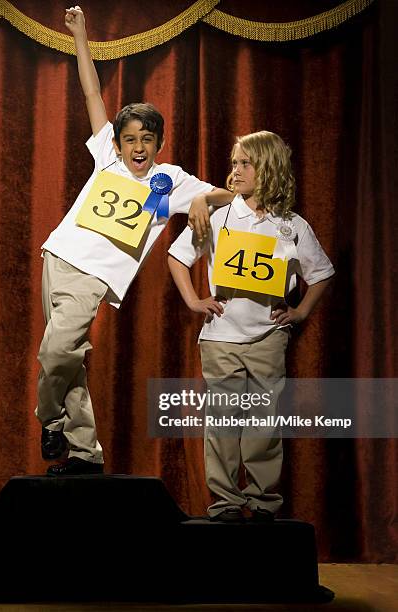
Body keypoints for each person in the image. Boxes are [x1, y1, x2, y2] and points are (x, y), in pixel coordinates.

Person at [37, 5, 233, 476]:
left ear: (159, 143)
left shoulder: (171, 178)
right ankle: (86, 455)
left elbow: (228, 194)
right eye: (130, 139)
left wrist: (206, 201)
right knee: (70, 362)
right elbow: (89, 92)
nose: (137, 147)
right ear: (119, 143)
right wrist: (80, 37)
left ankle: (49, 420)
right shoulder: (106, 156)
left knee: (55, 352)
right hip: (58, 256)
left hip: (95, 276)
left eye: (147, 139)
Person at [168, 130, 334, 522]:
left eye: (245, 163)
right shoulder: (220, 216)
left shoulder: (290, 226)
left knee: (263, 424)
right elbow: (178, 257)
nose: (236, 170)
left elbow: (322, 272)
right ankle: (225, 503)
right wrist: (194, 301)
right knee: (224, 425)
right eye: (234, 163)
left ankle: (261, 502)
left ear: (268, 168)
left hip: (268, 338)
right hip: (221, 338)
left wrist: (300, 312)